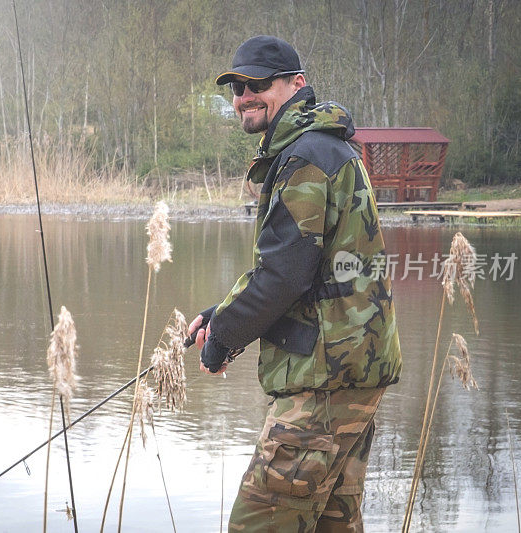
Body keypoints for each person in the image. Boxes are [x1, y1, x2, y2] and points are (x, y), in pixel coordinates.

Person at [188, 35, 402, 532]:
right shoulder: (326, 147)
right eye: (237, 87)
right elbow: (304, 268)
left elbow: (284, 277)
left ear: (296, 85)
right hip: (354, 371)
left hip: (324, 380)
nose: (244, 96)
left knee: (256, 524)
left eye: (258, 84)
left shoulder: (305, 156)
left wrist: (221, 341)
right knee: (332, 525)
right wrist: (223, 312)